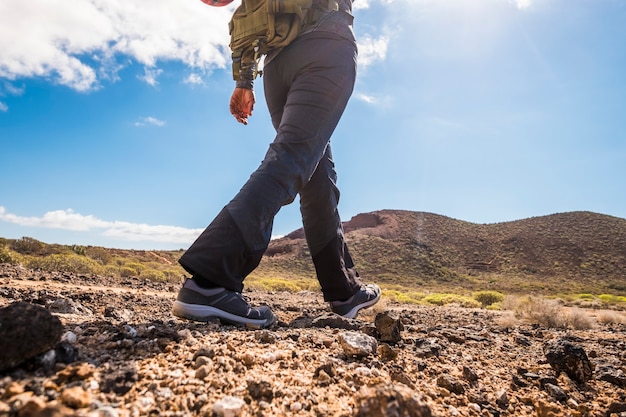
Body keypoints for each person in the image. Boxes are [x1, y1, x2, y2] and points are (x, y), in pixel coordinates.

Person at [172, 0, 381, 328]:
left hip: (276, 68)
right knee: (293, 158)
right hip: (325, 45)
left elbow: (233, 15)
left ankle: (343, 291)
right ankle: (210, 281)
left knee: (317, 172)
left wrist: (244, 82)